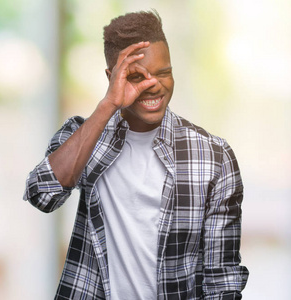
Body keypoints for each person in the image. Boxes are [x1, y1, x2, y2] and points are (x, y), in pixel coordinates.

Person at [23, 10, 248, 300]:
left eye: (163, 73)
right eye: (136, 76)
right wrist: (109, 104)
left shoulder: (213, 157)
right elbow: (42, 195)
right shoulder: (85, 136)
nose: (152, 84)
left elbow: (223, 281)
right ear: (112, 76)